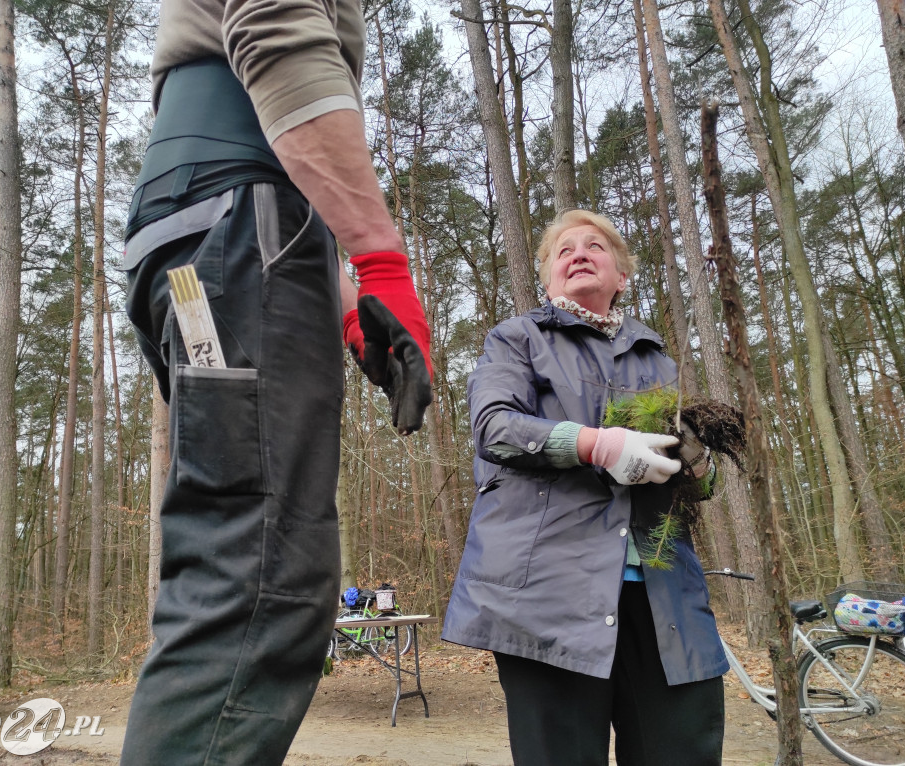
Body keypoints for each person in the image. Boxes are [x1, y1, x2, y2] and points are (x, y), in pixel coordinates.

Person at [118, 0, 433, 763]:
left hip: (213, 224)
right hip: (240, 217)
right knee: (261, 583)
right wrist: (380, 260)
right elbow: (273, 23)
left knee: (244, 564)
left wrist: (349, 305)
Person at [441, 209, 727, 766]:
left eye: (595, 246)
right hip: (548, 596)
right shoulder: (517, 339)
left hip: (663, 596)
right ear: (548, 278)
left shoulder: (657, 358)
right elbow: (493, 427)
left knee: (683, 751)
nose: (578, 253)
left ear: (622, 276)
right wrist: (597, 444)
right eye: (563, 249)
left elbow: (694, 488)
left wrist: (697, 464)